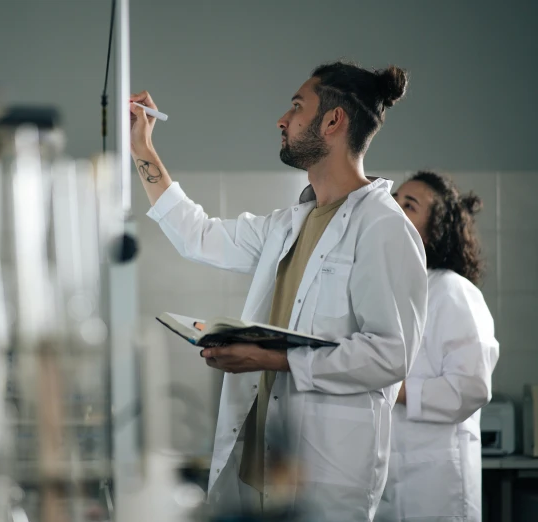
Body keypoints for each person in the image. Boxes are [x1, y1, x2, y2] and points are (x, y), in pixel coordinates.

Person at [129, 61, 428, 521]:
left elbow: (390, 356)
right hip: (261, 468)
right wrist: (142, 149)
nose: (282, 120)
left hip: (327, 475)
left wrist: (269, 358)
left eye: (296, 107)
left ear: (333, 121)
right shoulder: (291, 223)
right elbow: (199, 235)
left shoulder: (384, 228)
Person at [376, 172, 500, 522]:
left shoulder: (452, 291)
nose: (394, 208)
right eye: (395, 199)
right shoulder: (388, 292)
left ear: (435, 230)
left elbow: (470, 389)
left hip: (437, 488)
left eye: (409, 205)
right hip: (390, 481)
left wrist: (393, 389)